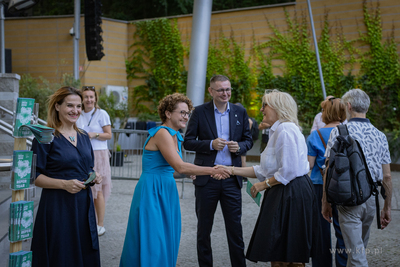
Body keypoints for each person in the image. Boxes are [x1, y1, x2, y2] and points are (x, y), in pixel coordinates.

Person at [119, 93, 231, 267]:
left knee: (166, 237)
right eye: (182, 112)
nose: (186, 116)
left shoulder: (176, 135)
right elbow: (180, 166)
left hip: (166, 189)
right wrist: (212, 170)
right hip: (152, 191)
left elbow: (172, 169)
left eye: (188, 113)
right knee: (153, 239)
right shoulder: (162, 133)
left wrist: (189, 173)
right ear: (168, 113)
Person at [217, 89, 321, 266]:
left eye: (264, 105)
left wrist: (263, 185)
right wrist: (231, 170)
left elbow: (288, 171)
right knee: (281, 250)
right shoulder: (280, 130)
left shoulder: (285, 130)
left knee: (288, 253)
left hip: (291, 193)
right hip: (287, 191)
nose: (261, 110)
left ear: (277, 108)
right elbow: (264, 169)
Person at [183, 75, 253, 267]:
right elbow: (188, 141)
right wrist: (210, 144)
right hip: (208, 179)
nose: (225, 93)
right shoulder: (199, 112)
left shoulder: (240, 111)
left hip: (231, 178)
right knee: (204, 230)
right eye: (221, 90)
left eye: (228, 89)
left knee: (235, 230)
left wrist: (239, 147)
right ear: (211, 91)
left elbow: (248, 140)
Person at [31, 86, 101, 267]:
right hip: (57, 207)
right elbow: (35, 176)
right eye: (70, 106)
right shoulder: (45, 137)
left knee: (83, 253)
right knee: (61, 254)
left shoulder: (84, 136)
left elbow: (88, 166)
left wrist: (93, 176)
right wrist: (64, 184)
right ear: (57, 106)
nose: (75, 111)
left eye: (79, 106)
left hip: (83, 206)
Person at [322, 89, 392, 267]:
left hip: (349, 200)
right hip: (371, 200)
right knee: (358, 250)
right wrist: (387, 207)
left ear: (349, 106)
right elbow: (387, 176)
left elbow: (329, 170)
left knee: (356, 257)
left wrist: (325, 201)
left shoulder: (339, 132)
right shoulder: (380, 135)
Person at [306, 97, 347, 267]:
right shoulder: (347, 133)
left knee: (320, 232)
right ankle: (342, 263)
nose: (321, 113)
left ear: (326, 113)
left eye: (323, 110)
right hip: (343, 186)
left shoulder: (315, 136)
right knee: (343, 230)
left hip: (318, 185)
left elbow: (308, 165)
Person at [76, 86, 112, 236]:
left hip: (98, 154)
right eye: (86, 97)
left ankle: (100, 224)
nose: (89, 100)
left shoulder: (101, 113)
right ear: (81, 99)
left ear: (95, 98)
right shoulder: (78, 114)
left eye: (91, 97)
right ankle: (85, 222)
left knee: (97, 190)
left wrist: (94, 134)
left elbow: (109, 135)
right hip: (81, 154)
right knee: (83, 189)